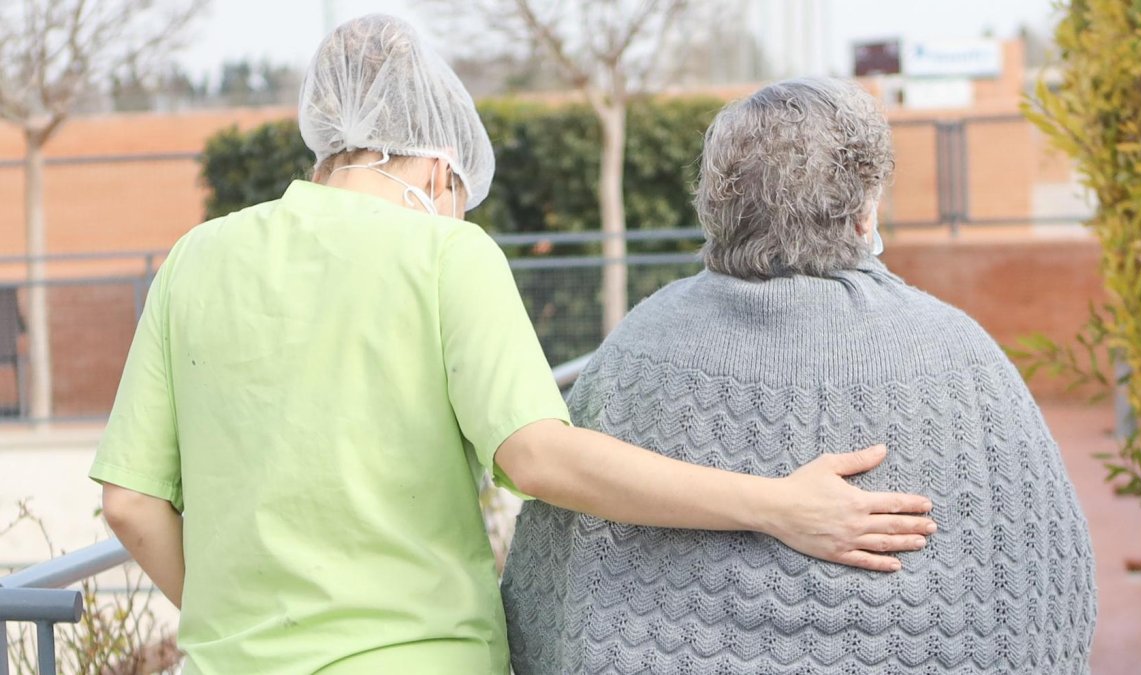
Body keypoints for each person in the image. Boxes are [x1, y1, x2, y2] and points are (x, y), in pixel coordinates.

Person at [91, 18, 937, 675]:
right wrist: (775, 504)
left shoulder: (196, 256)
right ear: (432, 168)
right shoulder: (443, 254)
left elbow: (130, 502)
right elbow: (540, 458)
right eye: (459, 192)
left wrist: (241, 623)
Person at [502, 78, 1098, 674]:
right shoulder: (962, 357)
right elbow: (1045, 574)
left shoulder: (637, 347)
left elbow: (551, 577)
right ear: (863, 215)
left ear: (717, 205)